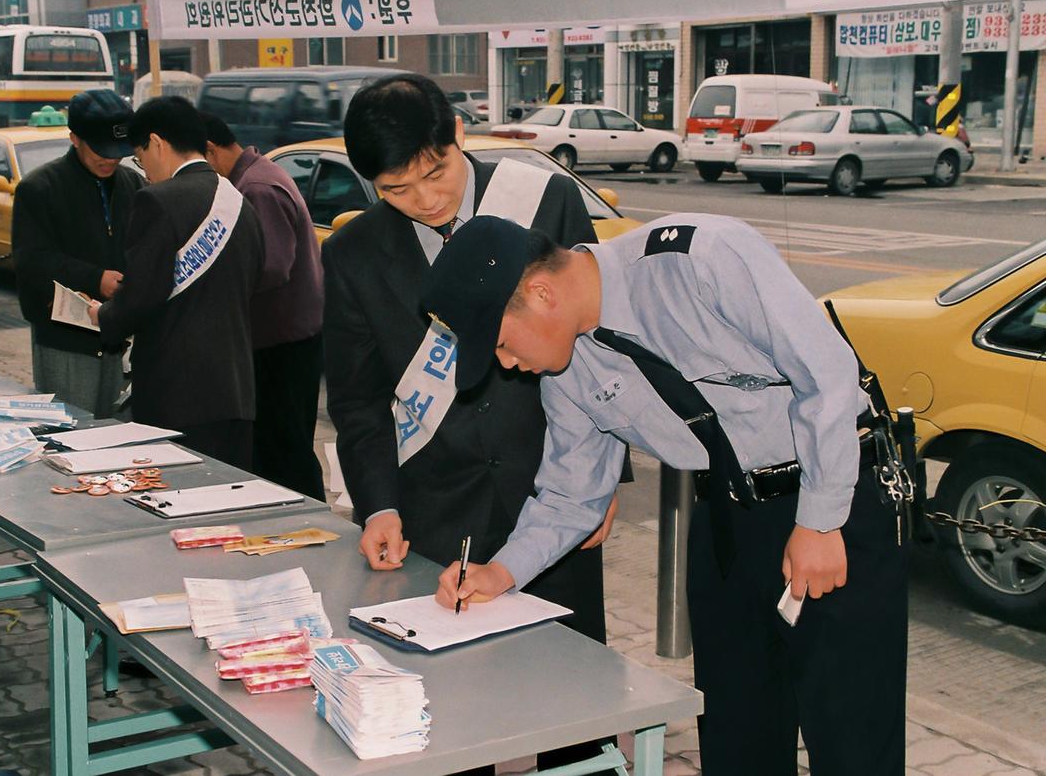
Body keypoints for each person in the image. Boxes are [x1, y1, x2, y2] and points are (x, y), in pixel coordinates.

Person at [425, 215, 909, 776]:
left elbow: (825, 372)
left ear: (541, 293)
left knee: (852, 738)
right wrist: (499, 573)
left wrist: (822, 522)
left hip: (831, 496)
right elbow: (569, 497)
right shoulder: (567, 372)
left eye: (504, 344)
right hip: (726, 516)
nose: (508, 366)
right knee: (736, 735)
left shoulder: (700, 260)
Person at [322, 73, 617, 775]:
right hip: (435, 505)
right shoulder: (352, 254)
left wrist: (605, 482)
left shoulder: (544, 198)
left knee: (578, 704)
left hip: (554, 486)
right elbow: (358, 399)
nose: (426, 201)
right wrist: (379, 503)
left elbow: (600, 343)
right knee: (449, 719)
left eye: (435, 173)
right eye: (397, 191)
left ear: (456, 134)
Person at [87, 96, 271, 470]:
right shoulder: (239, 200)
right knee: (227, 502)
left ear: (156, 143)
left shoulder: (157, 201)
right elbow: (254, 283)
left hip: (177, 393)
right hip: (236, 391)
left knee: (178, 503)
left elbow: (141, 297)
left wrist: (103, 314)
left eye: (140, 158)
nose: (145, 171)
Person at [201, 111, 326, 499]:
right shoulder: (257, 174)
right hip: (286, 337)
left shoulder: (255, 188)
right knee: (281, 448)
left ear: (209, 150)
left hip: (282, 343)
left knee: (285, 451)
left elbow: (271, 267)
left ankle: (311, 524)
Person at [12, 89, 143, 417]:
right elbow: (32, 262)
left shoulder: (135, 184)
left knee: (119, 437)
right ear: (74, 138)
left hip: (119, 335)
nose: (110, 159)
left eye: (118, 151)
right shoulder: (40, 188)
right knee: (71, 432)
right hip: (66, 340)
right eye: (101, 150)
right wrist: (95, 279)